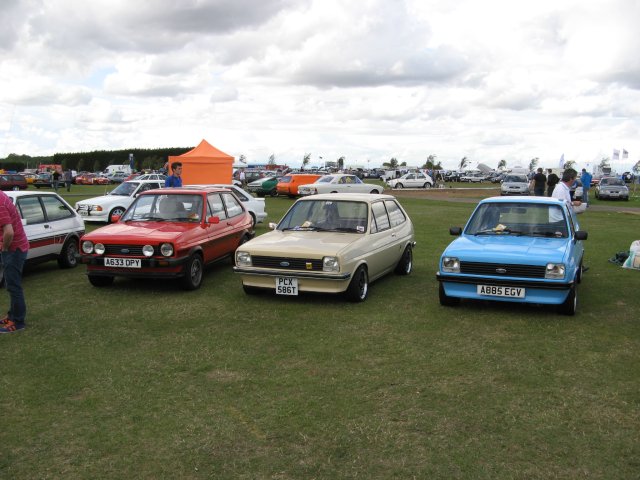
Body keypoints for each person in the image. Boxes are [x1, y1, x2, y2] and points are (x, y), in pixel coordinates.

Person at [0, 190, 29, 333]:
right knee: (10, 284)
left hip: (13, 249)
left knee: (13, 286)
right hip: (17, 246)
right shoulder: (1, 195)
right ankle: (12, 315)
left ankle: (18, 322)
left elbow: (9, 232)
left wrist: (4, 249)